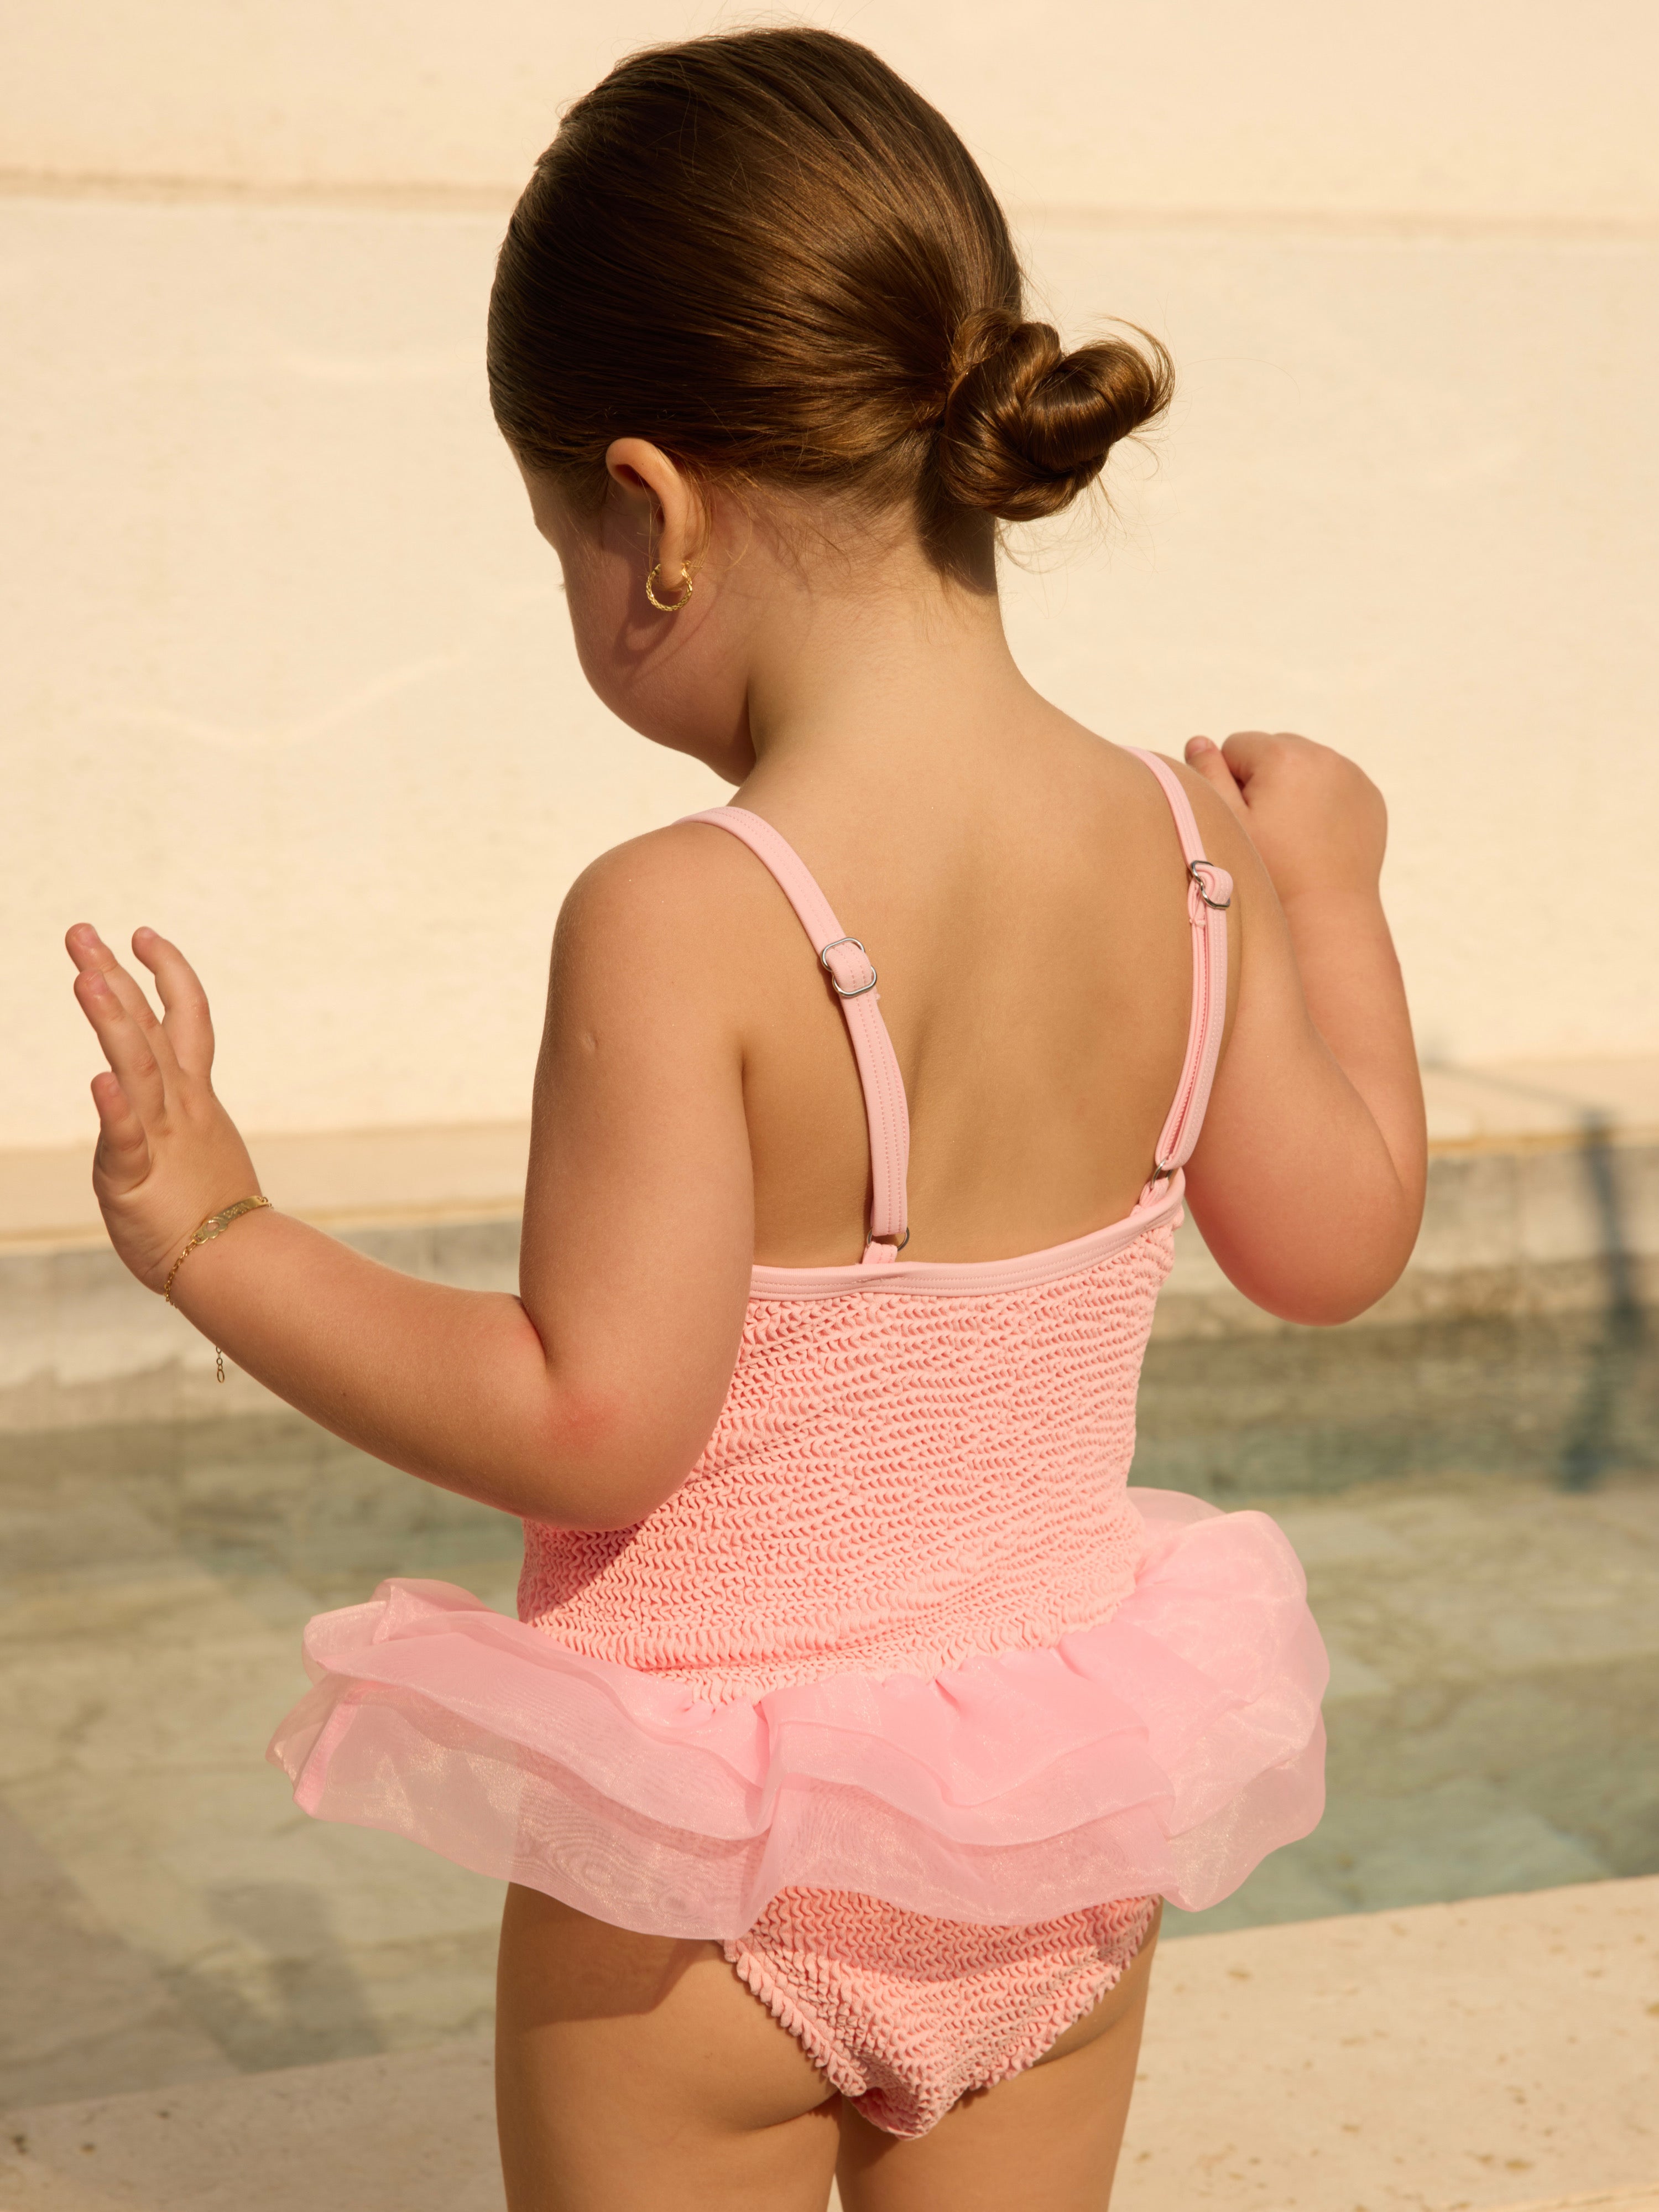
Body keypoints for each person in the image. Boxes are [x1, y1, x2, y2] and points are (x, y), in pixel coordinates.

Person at [64, 27, 1426, 2211]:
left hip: (703, 1891)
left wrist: (221, 1237)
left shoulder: (686, 918)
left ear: (656, 512)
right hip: (1050, 1845)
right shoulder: (1194, 853)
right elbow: (1340, 1249)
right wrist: (1334, 894)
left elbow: (589, 1420)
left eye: (560, 541)